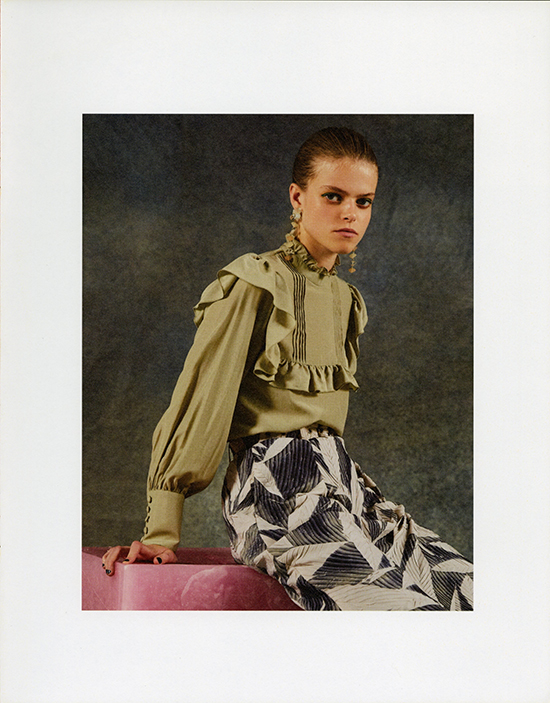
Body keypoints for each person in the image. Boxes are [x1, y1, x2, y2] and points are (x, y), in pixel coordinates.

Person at [102, 127, 473, 611]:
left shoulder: (345, 298)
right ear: (298, 197)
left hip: (345, 487)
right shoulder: (256, 282)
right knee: (406, 612)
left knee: (468, 592)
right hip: (274, 491)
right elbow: (200, 399)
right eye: (333, 196)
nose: (350, 213)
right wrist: (161, 529)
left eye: (363, 201)